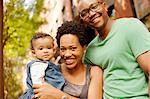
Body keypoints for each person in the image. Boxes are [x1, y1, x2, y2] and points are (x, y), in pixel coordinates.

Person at [78, 0, 150, 98]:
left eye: (94, 7)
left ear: (104, 6)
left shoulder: (131, 27)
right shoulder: (90, 52)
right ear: (83, 21)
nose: (91, 14)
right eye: (84, 13)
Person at [32, 21, 103, 99]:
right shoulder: (52, 71)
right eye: (63, 49)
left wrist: (59, 96)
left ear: (84, 48)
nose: (67, 54)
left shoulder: (94, 72)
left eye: (73, 48)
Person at [20, 33, 65, 99]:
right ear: (34, 53)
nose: (45, 51)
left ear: (54, 50)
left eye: (49, 48)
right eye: (41, 49)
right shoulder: (37, 65)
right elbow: (37, 81)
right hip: (40, 94)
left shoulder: (48, 64)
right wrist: (39, 95)